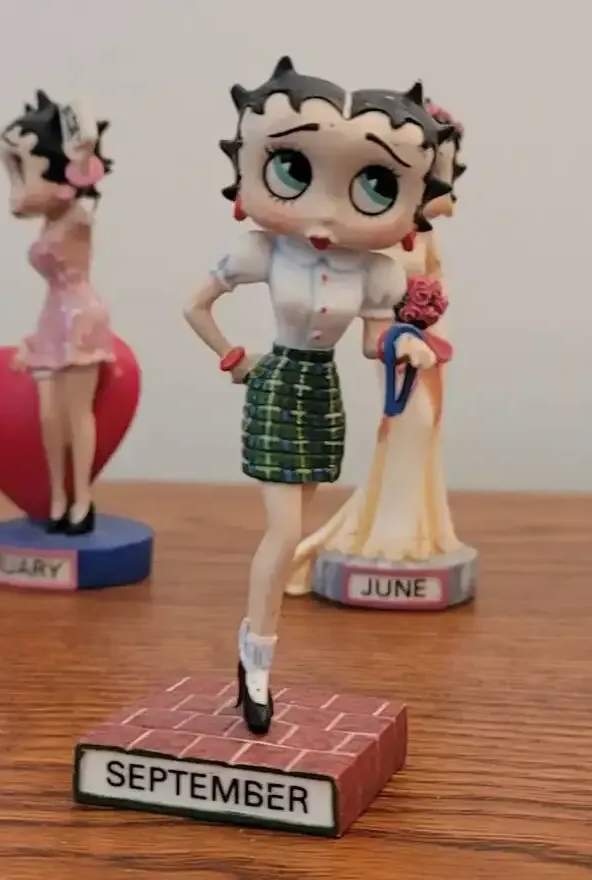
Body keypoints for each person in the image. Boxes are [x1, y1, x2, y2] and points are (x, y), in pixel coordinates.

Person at [183, 57, 453, 732]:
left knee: (294, 525)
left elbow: (372, 343)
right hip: (277, 384)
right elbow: (195, 306)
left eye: (373, 184)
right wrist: (232, 358)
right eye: (294, 170)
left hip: (322, 392)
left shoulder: (376, 273)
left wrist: (405, 345)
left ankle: (257, 647)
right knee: (285, 532)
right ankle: (257, 656)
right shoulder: (265, 253)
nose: (327, 211)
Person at [287, 102, 464, 590]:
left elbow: (436, 271)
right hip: (397, 341)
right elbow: (376, 300)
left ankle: (413, 528)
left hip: (432, 338)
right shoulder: (384, 236)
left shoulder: (423, 236)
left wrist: (432, 313)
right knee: (410, 422)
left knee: (426, 428)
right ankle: (391, 530)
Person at [0, 91, 114, 535]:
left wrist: (81, 147)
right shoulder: (50, 222)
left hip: (81, 318)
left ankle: (82, 497)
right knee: (49, 417)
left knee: (76, 413)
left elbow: (84, 167)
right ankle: (57, 496)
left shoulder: (79, 218)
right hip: (52, 319)